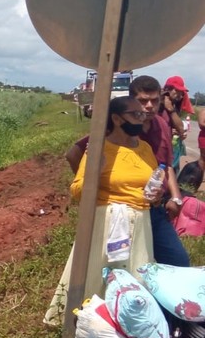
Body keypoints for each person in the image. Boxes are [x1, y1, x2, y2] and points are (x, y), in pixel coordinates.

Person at [45, 96, 162, 325]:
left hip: (140, 223)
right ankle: (86, 327)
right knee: (97, 278)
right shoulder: (99, 148)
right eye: (135, 114)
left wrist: (157, 196)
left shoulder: (145, 149)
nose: (142, 118)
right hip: (106, 223)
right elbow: (77, 191)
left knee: (135, 279)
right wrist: (97, 171)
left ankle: (129, 328)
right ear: (117, 119)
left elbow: (153, 184)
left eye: (143, 114)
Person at [64, 75, 191, 267]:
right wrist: (97, 189)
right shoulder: (117, 129)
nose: (149, 106)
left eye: (154, 100)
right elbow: (73, 154)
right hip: (117, 213)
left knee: (177, 262)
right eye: (143, 101)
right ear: (132, 101)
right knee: (119, 267)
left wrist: (175, 197)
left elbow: (166, 166)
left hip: (153, 208)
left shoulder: (162, 126)